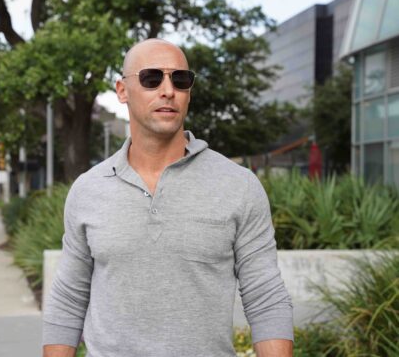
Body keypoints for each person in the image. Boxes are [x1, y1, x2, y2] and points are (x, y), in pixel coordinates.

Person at [42, 38, 293, 357]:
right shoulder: (88, 189)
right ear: (122, 90)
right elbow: (69, 299)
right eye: (151, 78)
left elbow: (266, 297)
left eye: (180, 79)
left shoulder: (238, 186)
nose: (167, 90)